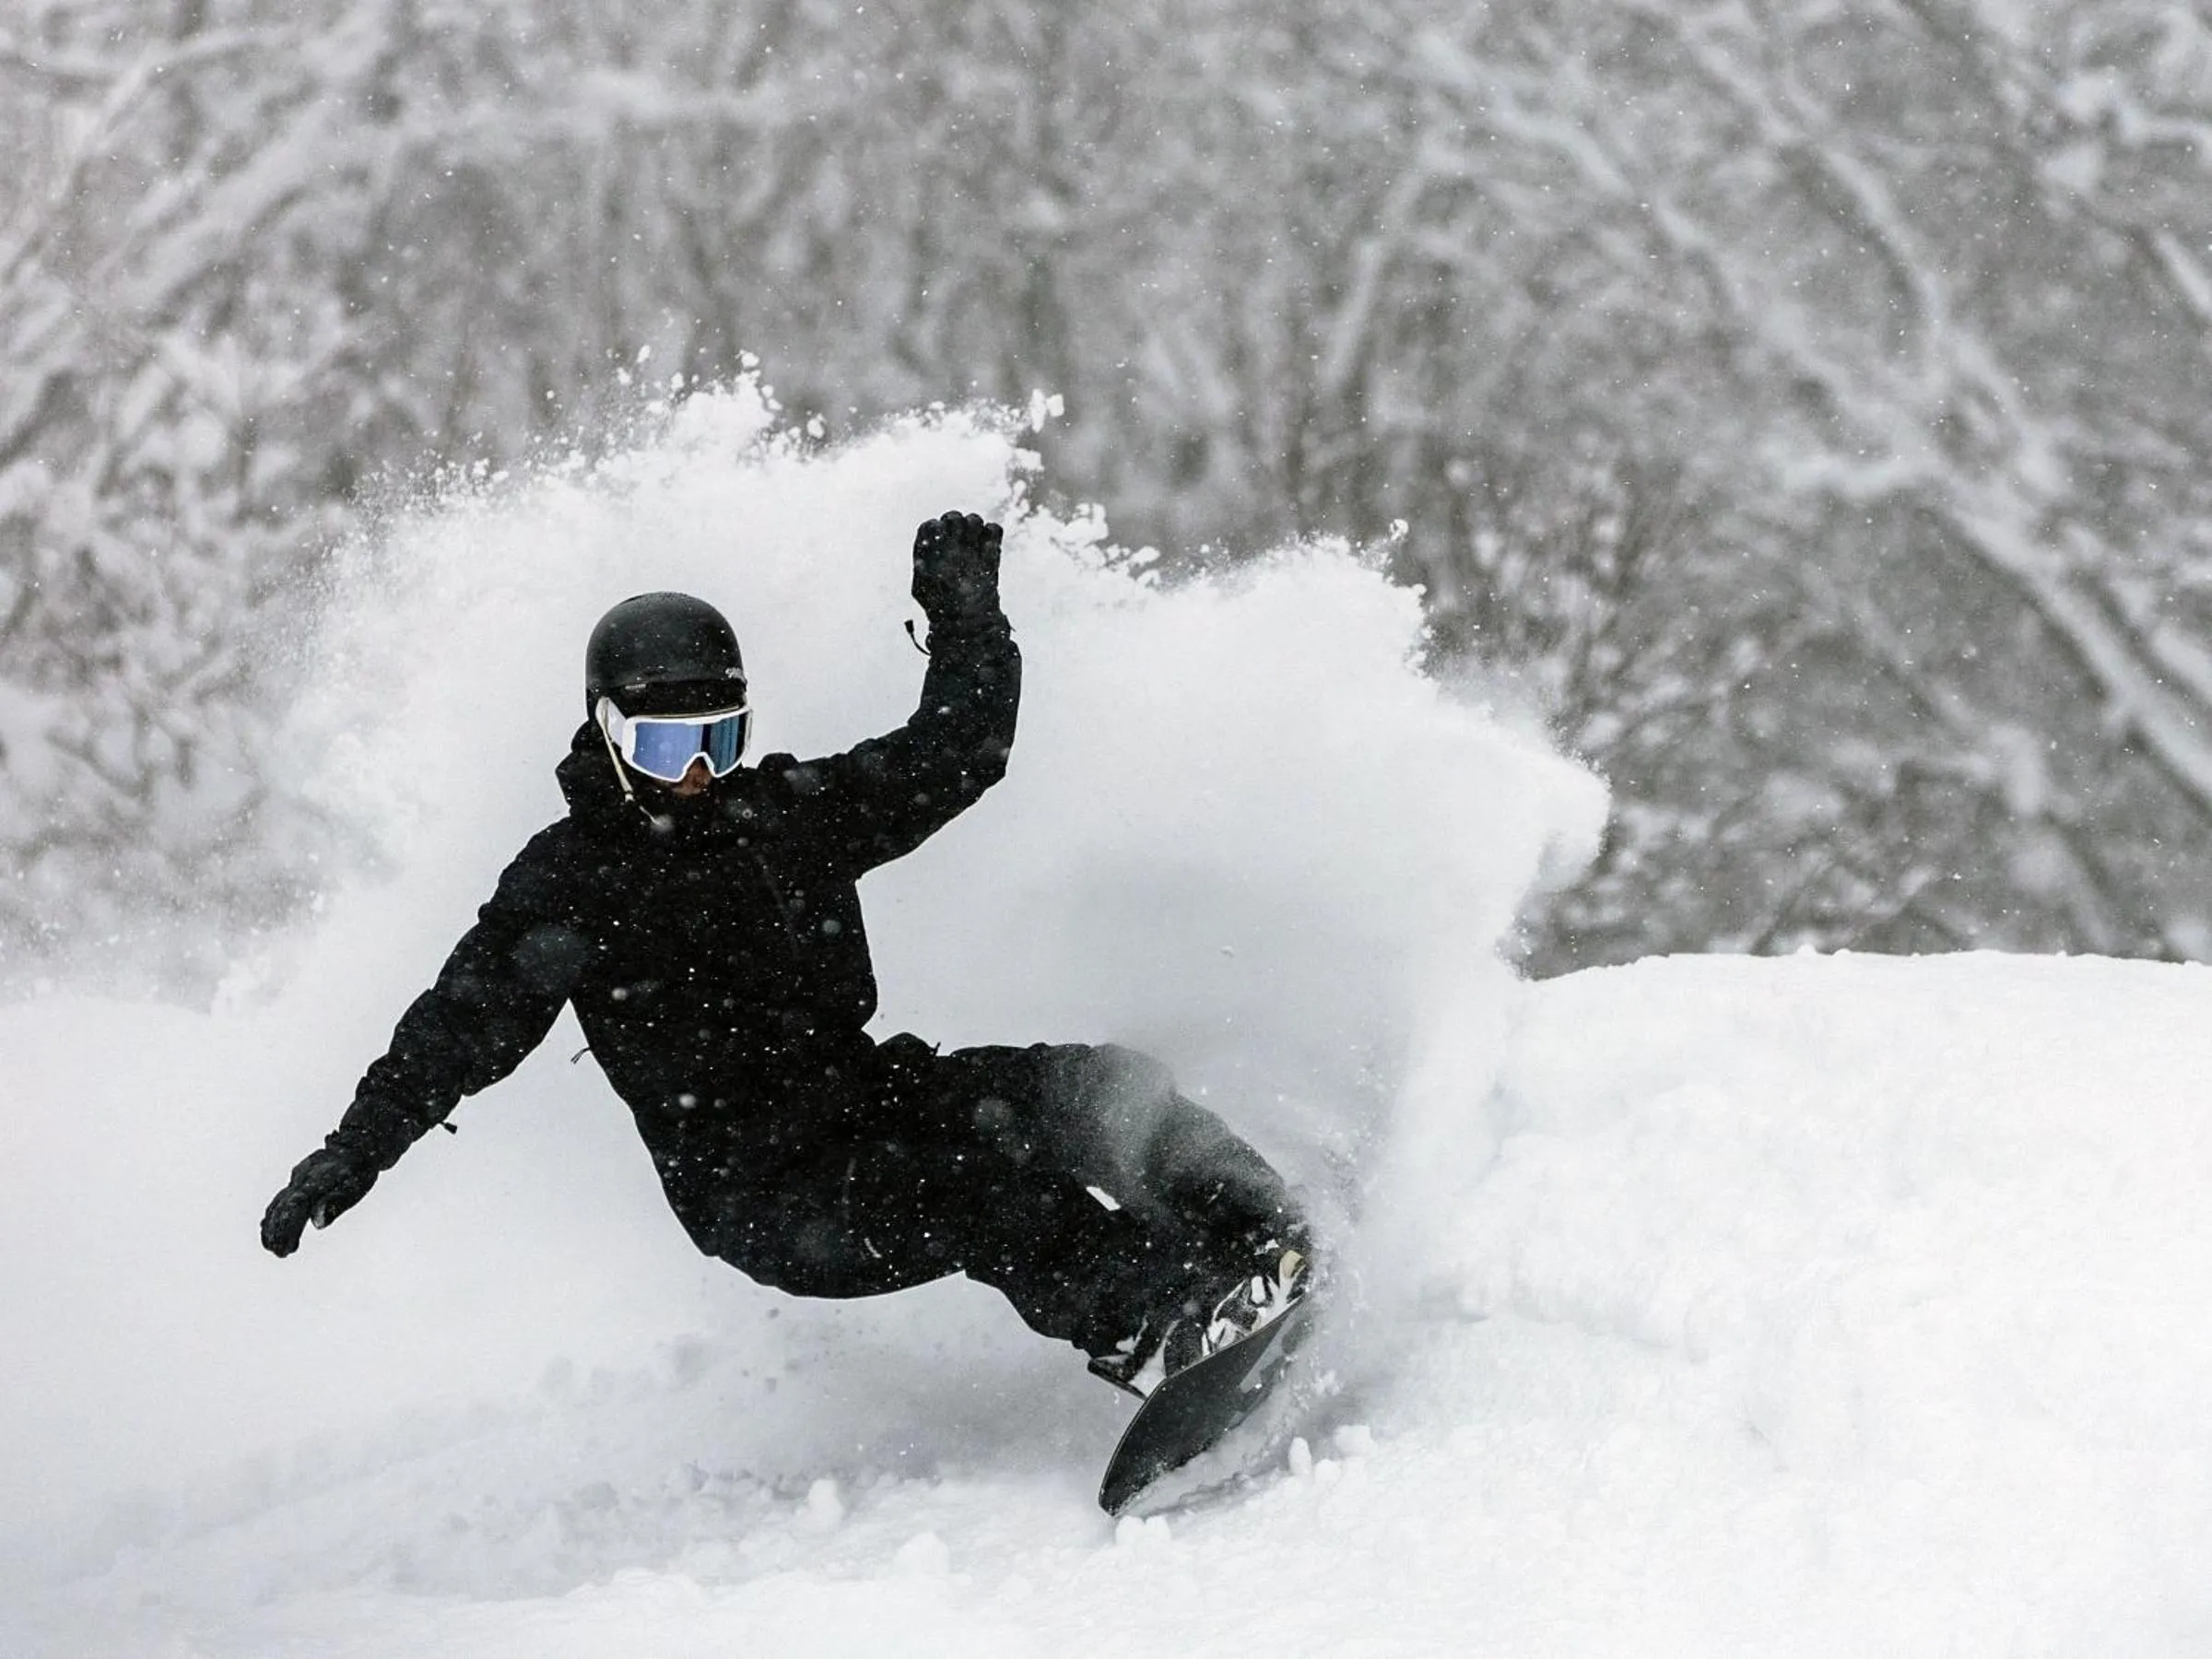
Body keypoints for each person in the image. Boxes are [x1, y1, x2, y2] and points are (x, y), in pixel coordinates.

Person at [262, 511, 1310, 1397]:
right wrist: (354, 1149)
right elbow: (455, 1031)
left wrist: (966, 621)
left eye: (720, 739)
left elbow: (957, 754)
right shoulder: (571, 883)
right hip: (769, 1193)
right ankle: (1165, 1328)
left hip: (873, 1100)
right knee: (982, 1183)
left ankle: (1251, 1224)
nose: (697, 776)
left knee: (1081, 1088)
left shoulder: (781, 819)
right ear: (609, 733)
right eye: (669, 749)